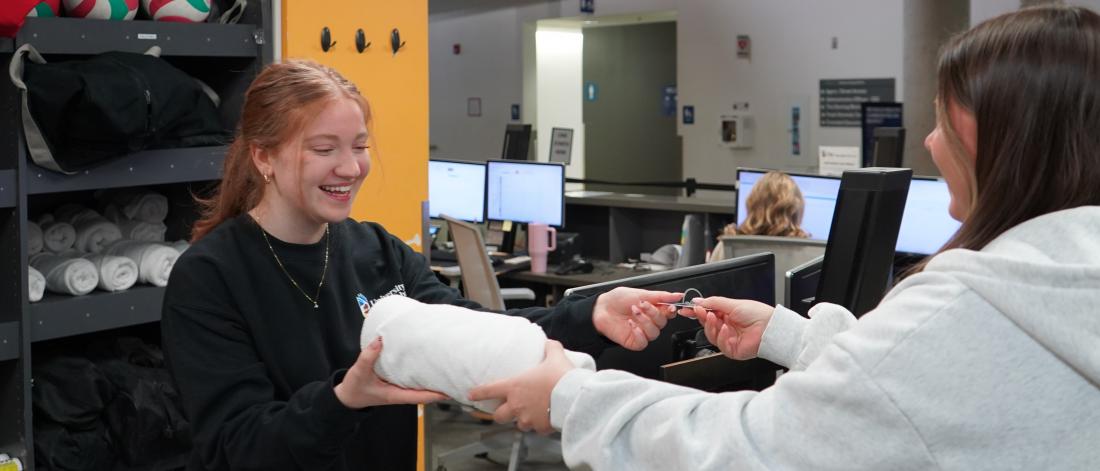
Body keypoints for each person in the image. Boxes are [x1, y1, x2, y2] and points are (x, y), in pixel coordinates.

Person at [470, 5, 1100, 469]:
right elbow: (920, 384)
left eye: (940, 121)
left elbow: (750, 447)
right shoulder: (1063, 284)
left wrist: (572, 398)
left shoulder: (967, 306)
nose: (931, 145)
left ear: (990, 132)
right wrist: (786, 336)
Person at [160, 60, 682, 471]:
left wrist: (591, 315)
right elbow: (238, 445)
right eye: (324, 149)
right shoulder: (209, 278)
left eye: (360, 146)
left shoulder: (377, 252)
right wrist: (344, 400)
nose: (350, 167)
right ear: (263, 157)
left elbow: (477, 330)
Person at [710, 171, 809, 262]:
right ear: (796, 210)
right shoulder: (809, 251)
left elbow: (710, 280)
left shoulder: (728, 246)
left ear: (753, 204)